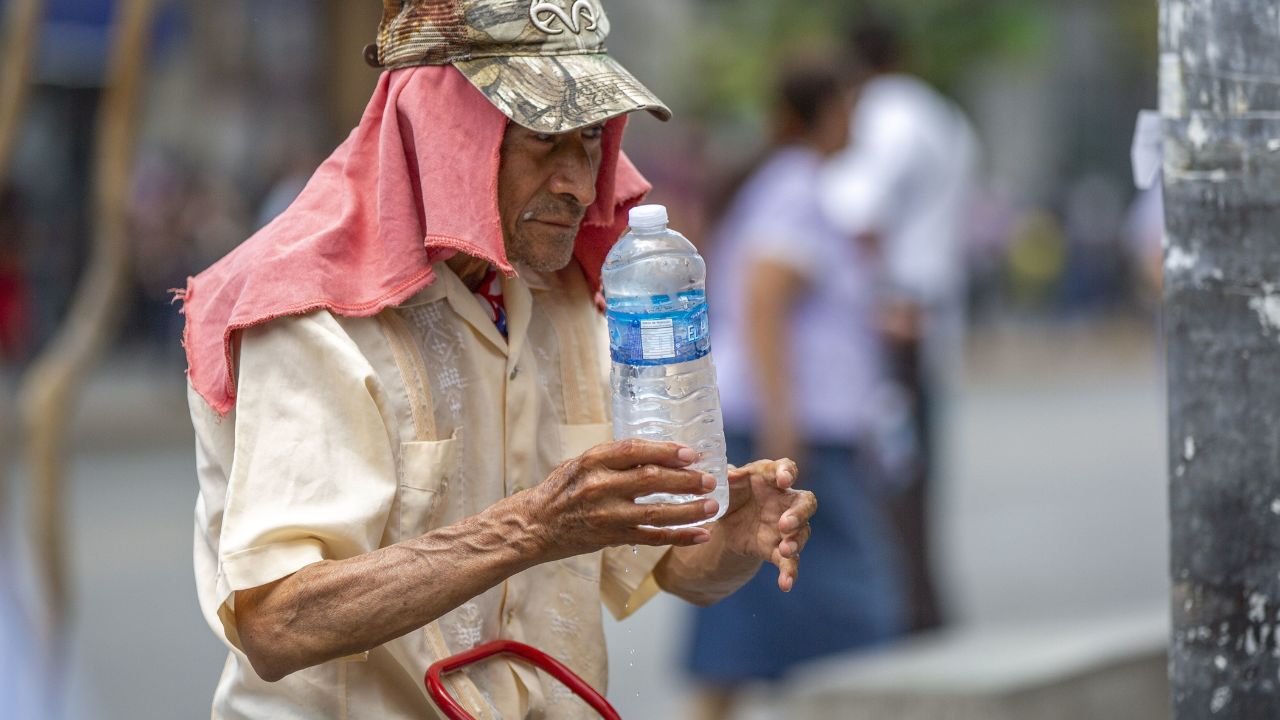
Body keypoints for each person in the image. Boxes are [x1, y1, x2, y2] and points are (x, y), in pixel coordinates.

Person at [178, 2, 817, 718]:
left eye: (591, 139)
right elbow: (275, 621)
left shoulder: (561, 294)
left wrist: (728, 537)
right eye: (545, 138)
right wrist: (532, 527)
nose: (580, 183)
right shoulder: (307, 314)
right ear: (446, 132)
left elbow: (665, 561)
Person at [683, 62, 905, 720]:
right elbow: (763, 301)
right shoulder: (795, 188)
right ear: (823, 114)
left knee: (750, 596)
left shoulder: (788, 185)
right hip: (794, 429)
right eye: (845, 106)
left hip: (791, 421)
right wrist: (784, 424)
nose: (854, 120)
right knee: (853, 601)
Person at [819, 19, 980, 633]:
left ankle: (900, 614)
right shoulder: (943, 115)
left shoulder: (888, 114)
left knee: (884, 483)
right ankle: (921, 606)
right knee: (912, 474)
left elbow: (856, 213)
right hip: (925, 315)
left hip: (888, 322)